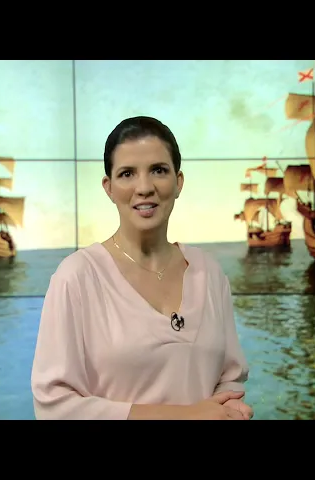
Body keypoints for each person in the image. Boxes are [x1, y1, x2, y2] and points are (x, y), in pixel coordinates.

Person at [31, 116, 251, 420]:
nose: (145, 187)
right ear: (109, 188)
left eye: (158, 170)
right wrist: (183, 417)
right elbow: (54, 406)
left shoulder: (209, 273)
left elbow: (230, 378)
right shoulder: (77, 277)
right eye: (127, 174)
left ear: (178, 182)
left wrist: (230, 408)